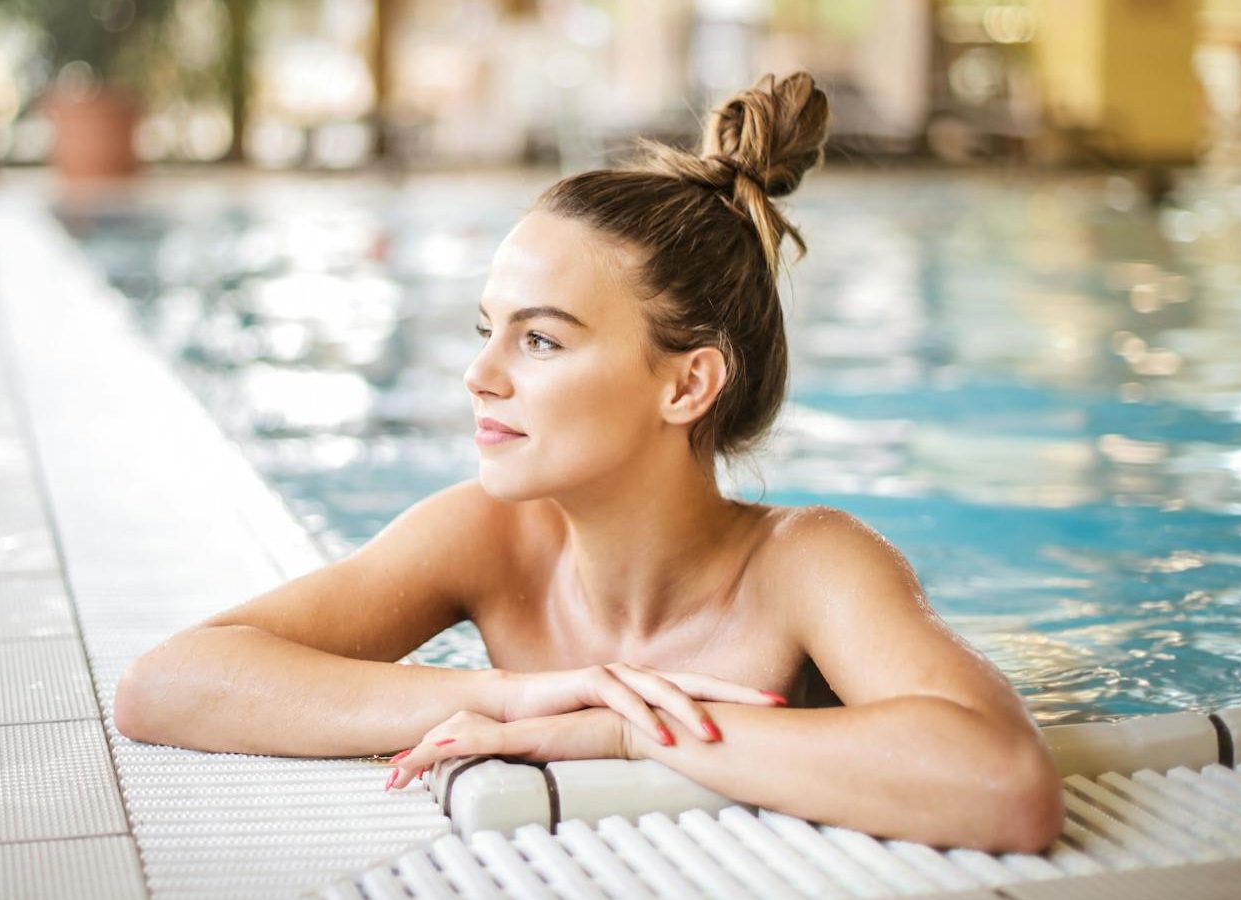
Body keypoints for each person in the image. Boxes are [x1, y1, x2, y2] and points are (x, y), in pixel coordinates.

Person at [114, 71, 1065, 854]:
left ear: (687, 384)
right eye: (487, 331)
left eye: (540, 341)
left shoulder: (805, 566)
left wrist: (620, 730)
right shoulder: (489, 537)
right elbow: (166, 684)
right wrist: (514, 697)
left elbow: (1004, 786)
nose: (479, 376)